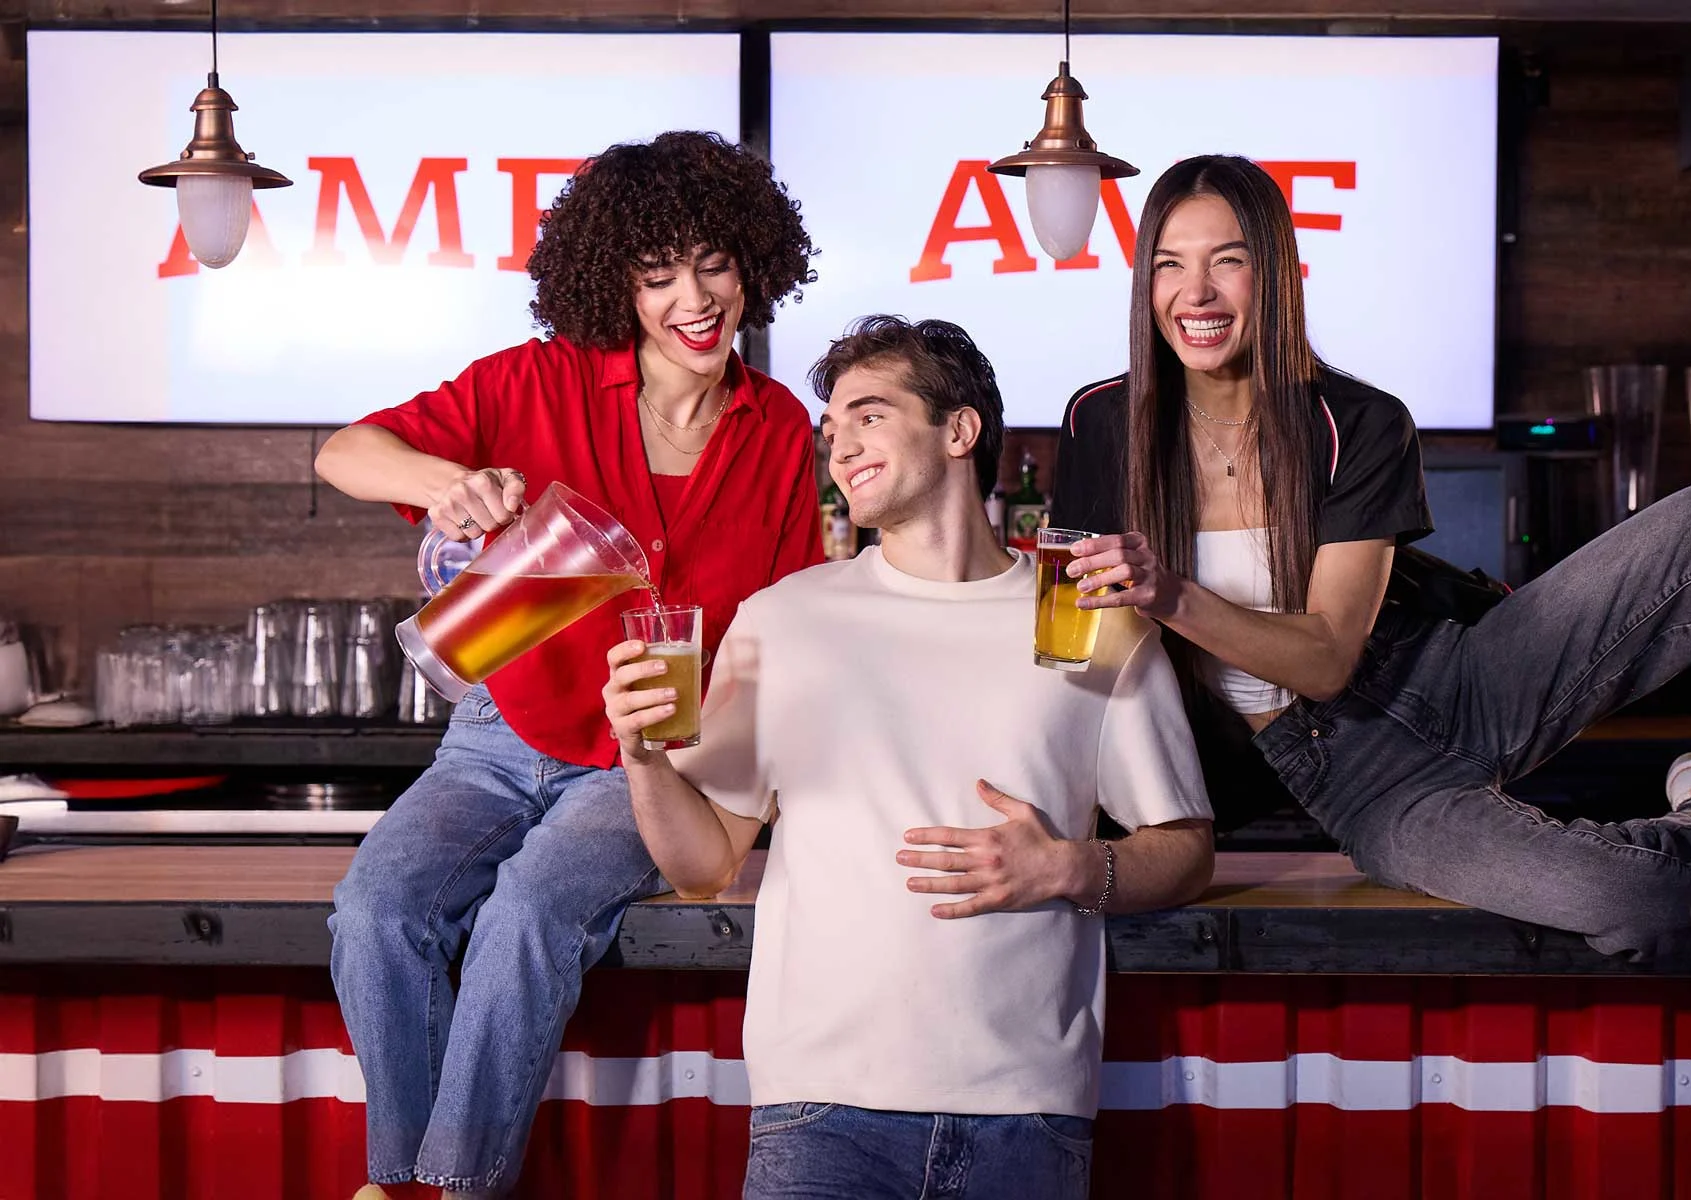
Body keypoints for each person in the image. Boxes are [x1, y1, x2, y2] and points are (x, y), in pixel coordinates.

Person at [1050, 153, 1691, 959]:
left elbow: (1323, 658)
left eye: (1226, 260)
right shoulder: (1102, 422)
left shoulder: (1359, 421)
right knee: (1634, 898)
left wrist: (1171, 593)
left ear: (1273, 272)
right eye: (1169, 262)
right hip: (1357, 780)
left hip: (1459, 676)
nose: (1195, 292)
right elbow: (1077, 646)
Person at [315, 131, 822, 1199]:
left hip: (649, 760)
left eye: (715, 263)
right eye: (658, 275)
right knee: (375, 908)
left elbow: (793, 617)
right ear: (616, 286)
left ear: (753, 266)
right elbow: (345, 452)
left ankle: (451, 1193)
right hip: (497, 734)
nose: (695, 298)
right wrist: (446, 479)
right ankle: (403, 1181)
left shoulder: (778, 429)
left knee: (530, 913)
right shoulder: (532, 383)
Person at [603, 316, 1215, 1199]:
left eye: (869, 415)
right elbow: (702, 863)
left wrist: (1071, 866)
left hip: (1027, 1110)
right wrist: (644, 761)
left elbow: (1187, 850)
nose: (840, 446)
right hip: (818, 1110)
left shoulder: (1086, 615)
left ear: (959, 431)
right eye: (831, 430)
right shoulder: (783, 616)